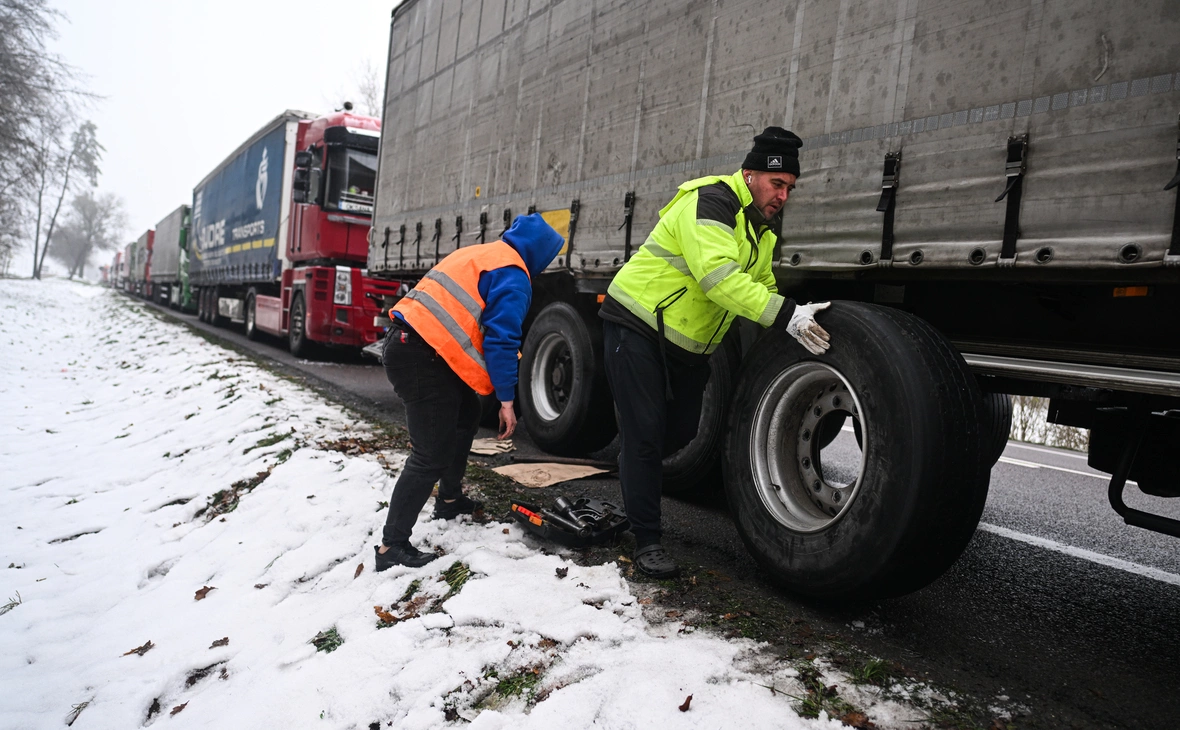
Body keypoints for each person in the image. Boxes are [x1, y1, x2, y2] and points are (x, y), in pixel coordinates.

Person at [599, 126, 832, 578]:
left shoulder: (760, 229)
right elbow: (718, 279)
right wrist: (786, 315)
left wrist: (795, 325)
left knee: (681, 431)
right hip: (638, 323)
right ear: (750, 175)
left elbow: (761, 287)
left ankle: (634, 472)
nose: (783, 196)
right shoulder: (712, 202)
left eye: (790, 188)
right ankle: (646, 539)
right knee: (645, 434)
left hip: (685, 345)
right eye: (777, 183)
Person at [375, 213, 565, 570]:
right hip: (420, 357)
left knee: (466, 414)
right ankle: (391, 546)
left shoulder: (480, 254)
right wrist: (506, 400)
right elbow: (502, 341)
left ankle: (449, 500)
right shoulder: (514, 275)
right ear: (539, 253)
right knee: (429, 455)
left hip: (410, 345)